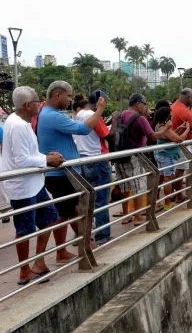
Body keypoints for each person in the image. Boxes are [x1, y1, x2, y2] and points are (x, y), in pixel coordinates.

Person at [0, 86, 65, 284]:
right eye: (37, 101)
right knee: (25, 228)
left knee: (50, 218)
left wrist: (47, 157)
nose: (40, 104)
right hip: (22, 186)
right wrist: (47, 160)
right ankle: (24, 270)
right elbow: (21, 159)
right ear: (29, 105)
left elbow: (27, 154)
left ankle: (38, 261)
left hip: (34, 183)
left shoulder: (19, 121)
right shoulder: (18, 125)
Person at [37, 81, 106, 259]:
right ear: (58, 95)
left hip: (63, 172)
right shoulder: (53, 116)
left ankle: (80, 245)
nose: (70, 100)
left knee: (69, 210)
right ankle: (76, 247)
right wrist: (99, 110)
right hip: (60, 174)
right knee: (67, 211)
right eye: (68, 96)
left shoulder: (48, 113)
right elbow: (83, 129)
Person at [115, 94, 173, 224]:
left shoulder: (121, 114)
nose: (146, 106)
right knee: (138, 185)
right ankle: (137, 217)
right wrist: (166, 129)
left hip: (119, 155)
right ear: (138, 103)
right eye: (145, 103)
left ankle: (126, 215)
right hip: (135, 155)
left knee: (125, 186)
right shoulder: (140, 118)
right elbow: (152, 136)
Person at [73, 91, 113, 245]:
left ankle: (83, 234)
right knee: (101, 199)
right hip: (97, 158)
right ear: (100, 101)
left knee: (86, 200)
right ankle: (103, 235)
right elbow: (106, 134)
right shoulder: (93, 114)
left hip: (83, 159)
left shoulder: (79, 114)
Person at [153, 104, 190, 210]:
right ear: (166, 116)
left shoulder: (160, 125)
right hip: (166, 156)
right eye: (170, 114)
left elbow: (170, 137)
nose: (172, 116)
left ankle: (158, 202)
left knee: (161, 178)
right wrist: (187, 130)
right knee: (168, 179)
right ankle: (167, 203)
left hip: (160, 154)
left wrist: (178, 128)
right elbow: (178, 139)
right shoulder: (165, 127)